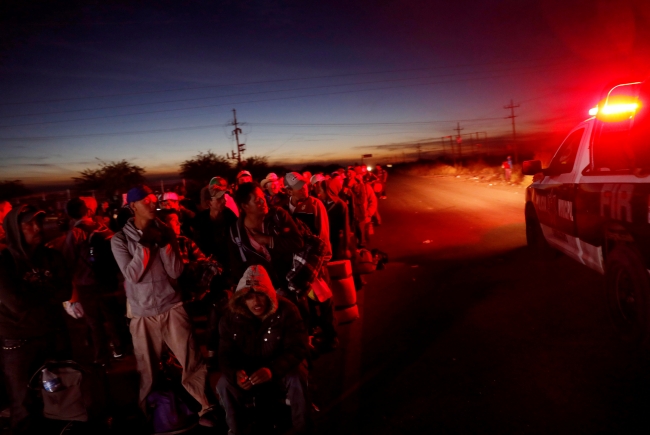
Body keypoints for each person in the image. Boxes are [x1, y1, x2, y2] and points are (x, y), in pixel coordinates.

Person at [110, 185, 217, 427]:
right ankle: (147, 414)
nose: (151, 204)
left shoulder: (165, 230)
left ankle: (204, 407)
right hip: (143, 313)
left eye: (152, 200)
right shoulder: (120, 239)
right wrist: (145, 245)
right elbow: (132, 275)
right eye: (145, 201)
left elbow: (176, 271)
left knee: (192, 361)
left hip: (172, 305)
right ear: (132, 206)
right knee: (147, 369)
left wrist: (167, 243)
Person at [0, 205, 72, 433]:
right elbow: (16, 303)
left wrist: (31, 293)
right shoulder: (4, 262)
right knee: (23, 405)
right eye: (29, 223)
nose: (37, 227)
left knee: (63, 396)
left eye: (39, 222)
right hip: (18, 344)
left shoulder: (52, 256)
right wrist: (49, 292)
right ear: (15, 229)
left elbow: (66, 292)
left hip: (53, 335)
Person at [217, 265, 311, 435]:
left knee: (298, 376)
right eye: (250, 297)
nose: (256, 302)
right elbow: (225, 353)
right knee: (223, 384)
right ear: (242, 299)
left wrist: (272, 370)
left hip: (280, 368)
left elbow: (298, 347)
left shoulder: (287, 310)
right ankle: (237, 430)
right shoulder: (230, 317)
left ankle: (302, 428)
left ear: (269, 294)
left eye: (260, 294)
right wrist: (235, 374)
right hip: (248, 372)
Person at [63, 197, 124, 364]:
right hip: (106, 280)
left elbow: (69, 260)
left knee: (94, 321)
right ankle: (120, 348)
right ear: (88, 211)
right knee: (112, 316)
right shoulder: (101, 228)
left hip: (86, 284)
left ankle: (101, 357)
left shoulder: (75, 233)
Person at [229, 183, 303, 292]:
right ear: (245, 206)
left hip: (292, 285)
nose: (264, 202)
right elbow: (238, 269)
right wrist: (255, 288)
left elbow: (298, 242)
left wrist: (269, 240)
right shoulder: (236, 233)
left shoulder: (278, 216)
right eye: (258, 200)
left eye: (263, 197)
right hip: (263, 292)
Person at [316, 178, 351, 261]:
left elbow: (346, 227)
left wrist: (346, 247)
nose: (319, 192)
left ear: (328, 191)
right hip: (325, 240)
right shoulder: (321, 203)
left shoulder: (341, 205)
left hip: (336, 241)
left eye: (321, 190)